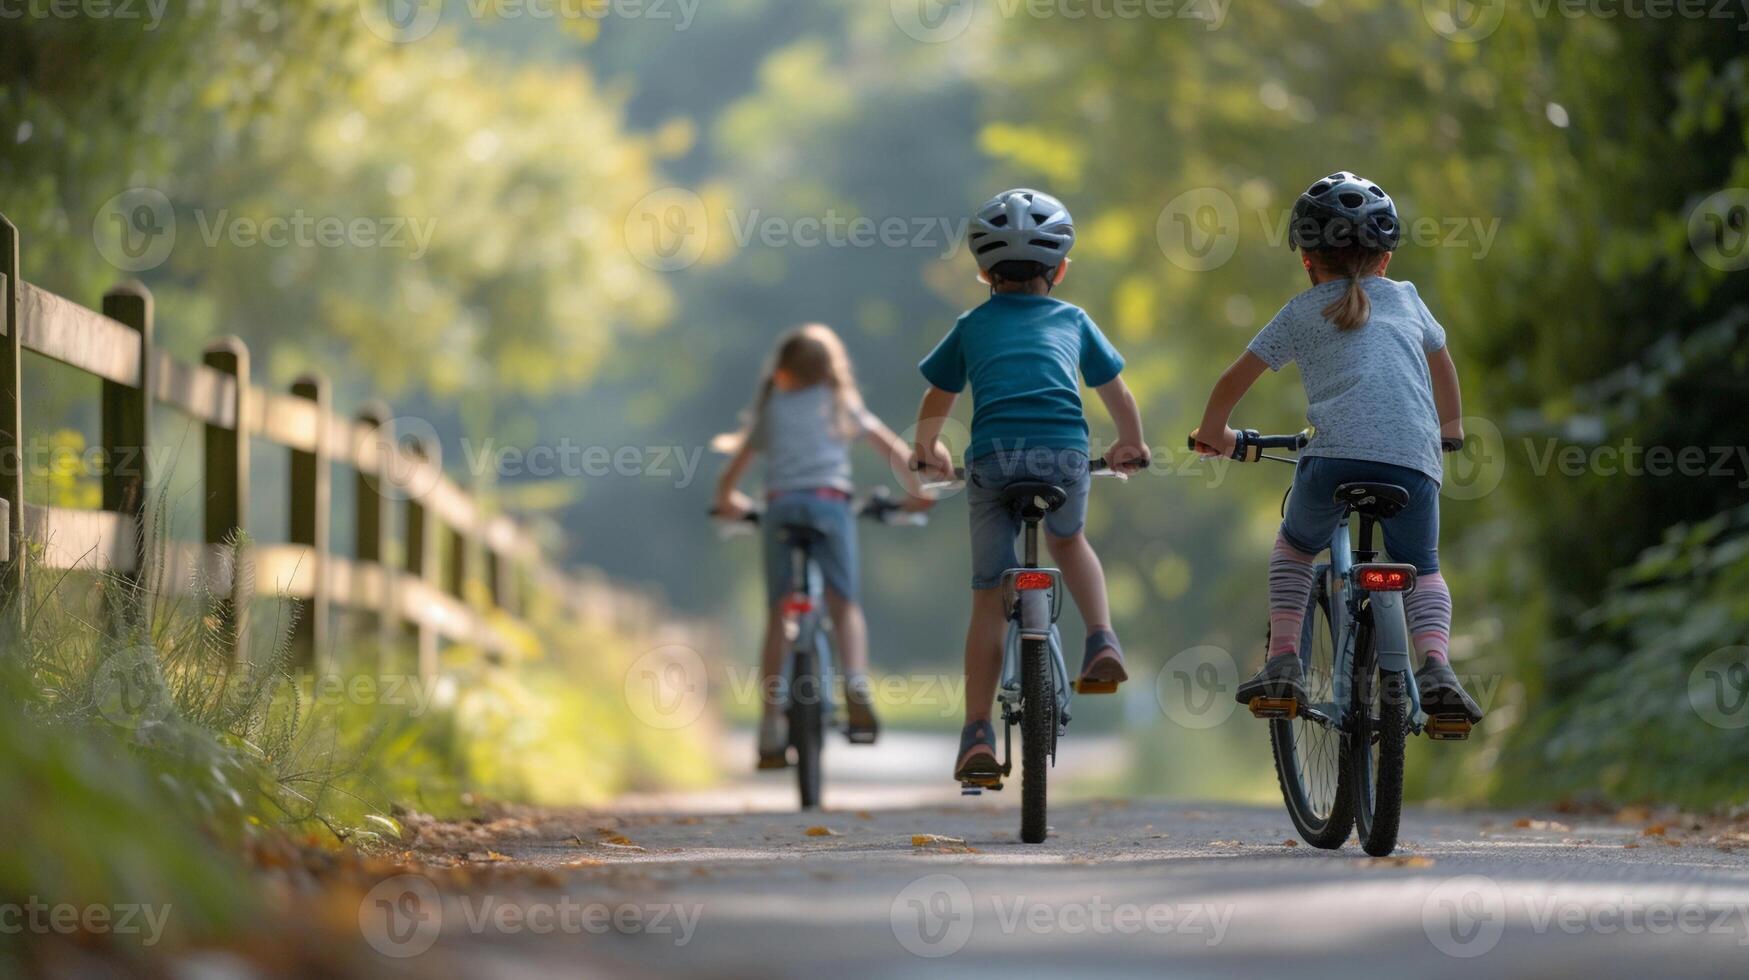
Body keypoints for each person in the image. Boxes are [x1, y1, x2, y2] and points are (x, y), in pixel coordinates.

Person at [1190, 171, 1482, 723]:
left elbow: (1232, 381)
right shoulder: (1409, 300)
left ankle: (1282, 662)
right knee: (1422, 567)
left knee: (1297, 547)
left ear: (1307, 260)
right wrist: (1450, 429)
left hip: (1332, 462)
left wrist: (1215, 435)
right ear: (1385, 259)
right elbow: (1442, 365)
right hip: (1415, 466)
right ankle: (1438, 667)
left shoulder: (1300, 312)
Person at [910, 188, 1149, 786]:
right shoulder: (1074, 319)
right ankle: (1102, 640)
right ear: (1061, 268)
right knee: (1070, 542)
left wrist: (926, 451)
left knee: (990, 592)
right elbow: (1116, 391)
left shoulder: (971, 325)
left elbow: (937, 398)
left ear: (983, 271)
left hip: (992, 460)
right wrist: (1130, 444)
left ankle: (975, 735)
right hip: (1064, 454)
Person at [713, 324, 929, 769]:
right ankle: (856, 683)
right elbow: (893, 451)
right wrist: (918, 492)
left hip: (780, 509)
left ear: (784, 372)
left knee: (777, 614)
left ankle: (771, 722)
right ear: (833, 370)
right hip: (831, 506)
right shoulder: (840, 404)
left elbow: (727, 484)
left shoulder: (772, 410)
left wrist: (732, 506)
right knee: (844, 602)